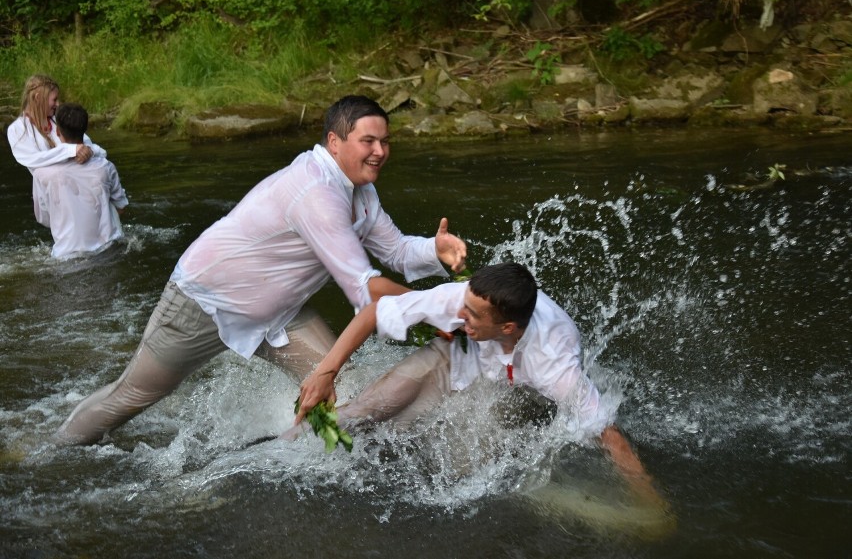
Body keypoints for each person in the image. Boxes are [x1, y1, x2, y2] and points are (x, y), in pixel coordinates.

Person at [55, 95, 467, 446]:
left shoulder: (360, 189)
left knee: (340, 390)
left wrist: (434, 249)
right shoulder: (315, 193)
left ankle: (305, 462)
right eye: (368, 141)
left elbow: (394, 249)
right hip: (204, 301)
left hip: (279, 311)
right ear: (335, 142)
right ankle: (52, 451)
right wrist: (437, 307)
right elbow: (364, 291)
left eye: (385, 141)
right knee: (132, 396)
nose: (379, 151)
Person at [288, 262, 668, 509]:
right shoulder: (463, 299)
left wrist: (652, 504)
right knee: (359, 417)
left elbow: (608, 435)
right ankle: (283, 447)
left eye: (471, 315)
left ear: (507, 327)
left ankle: (538, 494)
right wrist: (326, 373)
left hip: (518, 393)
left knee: (461, 477)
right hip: (453, 358)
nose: (458, 315)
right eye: (463, 306)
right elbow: (375, 310)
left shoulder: (554, 364)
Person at [32, 103, 129, 258]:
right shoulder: (105, 167)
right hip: (108, 252)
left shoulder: (41, 174)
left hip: (65, 256)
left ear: (57, 131)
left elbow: (44, 218)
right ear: (85, 130)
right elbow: (121, 206)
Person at [6, 74, 106, 173]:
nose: (58, 104)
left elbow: (90, 145)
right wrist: (70, 150)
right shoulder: (17, 129)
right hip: (50, 187)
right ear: (38, 98)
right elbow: (33, 159)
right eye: (54, 99)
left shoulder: (59, 119)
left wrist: (88, 151)